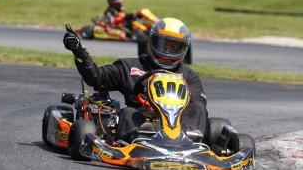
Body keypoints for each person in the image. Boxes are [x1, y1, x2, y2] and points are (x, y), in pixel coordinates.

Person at [63, 17, 208, 143]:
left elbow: (197, 103)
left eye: (173, 47)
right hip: (141, 123)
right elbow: (97, 77)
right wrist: (78, 51)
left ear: (183, 50)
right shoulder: (130, 67)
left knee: (198, 109)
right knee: (129, 112)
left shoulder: (189, 76)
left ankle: (190, 142)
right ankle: (141, 139)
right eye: (163, 45)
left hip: (179, 127)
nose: (167, 52)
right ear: (152, 42)